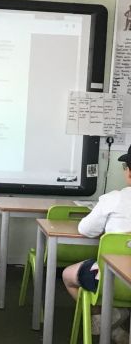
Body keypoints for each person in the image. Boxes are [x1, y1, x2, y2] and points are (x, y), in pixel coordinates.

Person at [62, 144, 131, 343]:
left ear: (129, 171)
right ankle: (116, 323)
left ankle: (101, 319)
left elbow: (85, 230)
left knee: (68, 275)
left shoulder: (114, 199)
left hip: (111, 281)